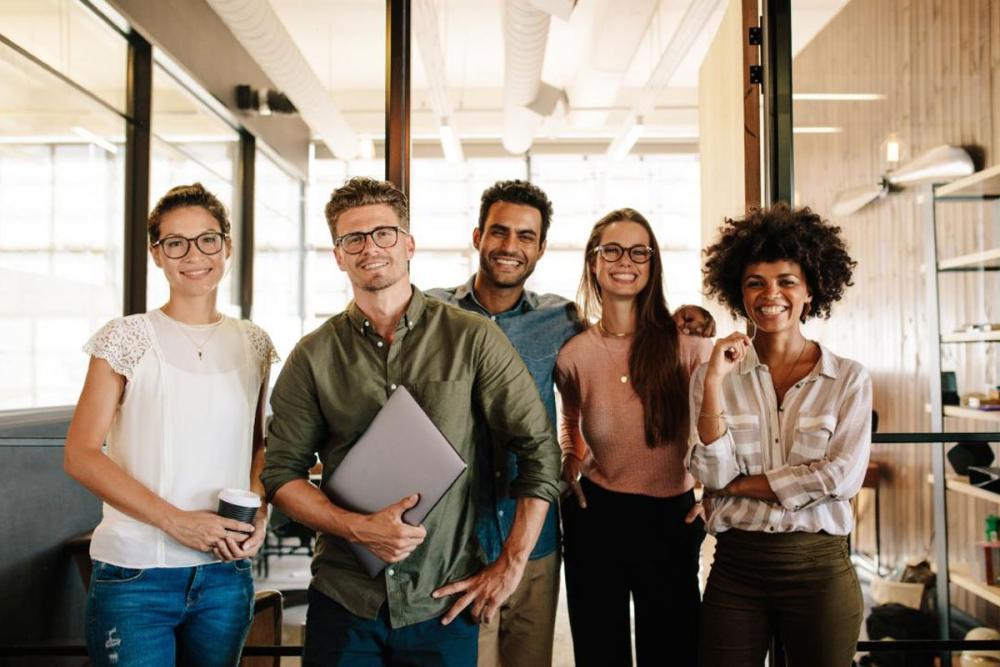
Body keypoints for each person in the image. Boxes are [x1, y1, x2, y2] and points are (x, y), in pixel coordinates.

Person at [260, 177, 561, 667]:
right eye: (352, 238)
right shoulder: (312, 356)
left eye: (383, 233)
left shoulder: (472, 338)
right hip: (345, 599)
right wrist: (357, 528)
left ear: (409, 244)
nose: (369, 247)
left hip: (442, 601)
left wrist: (512, 563)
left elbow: (540, 451)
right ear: (338, 255)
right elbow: (281, 475)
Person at [64, 183, 276, 667]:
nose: (193, 255)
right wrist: (176, 522)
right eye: (174, 243)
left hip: (225, 575)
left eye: (207, 239)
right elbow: (80, 453)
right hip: (137, 573)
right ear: (156, 254)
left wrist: (259, 513)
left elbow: (258, 447)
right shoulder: (126, 337)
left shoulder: (255, 343)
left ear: (226, 246)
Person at [690, 203, 871, 667]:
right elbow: (712, 471)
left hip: (819, 568)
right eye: (756, 282)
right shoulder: (714, 374)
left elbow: (840, 479)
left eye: (787, 281)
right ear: (739, 292)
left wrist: (738, 487)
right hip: (736, 568)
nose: (772, 294)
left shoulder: (848, 379)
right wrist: (713, 383)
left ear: (811, 290)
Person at [427, 179, 581, 667]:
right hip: (456, 540)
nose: (510, 247)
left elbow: (608, 373)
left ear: (541, 249)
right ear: (477, 237)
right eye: (499, 232)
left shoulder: (562, 319)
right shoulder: (431, 313)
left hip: (531, 539)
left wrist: (577, 452)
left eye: (525, 236)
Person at [555, 208, 712, 667]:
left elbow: (729, 427)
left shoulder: (688, 345)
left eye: (639, 251)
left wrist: (717, 493)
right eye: (613, 250)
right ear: (594, 262)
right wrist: (569, 455)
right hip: (596, 515)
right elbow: (570, 417)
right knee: (600, 651)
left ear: (652, 262)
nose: (626, 260)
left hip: (671, 520)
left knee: (673, 651)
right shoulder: (574, 354)